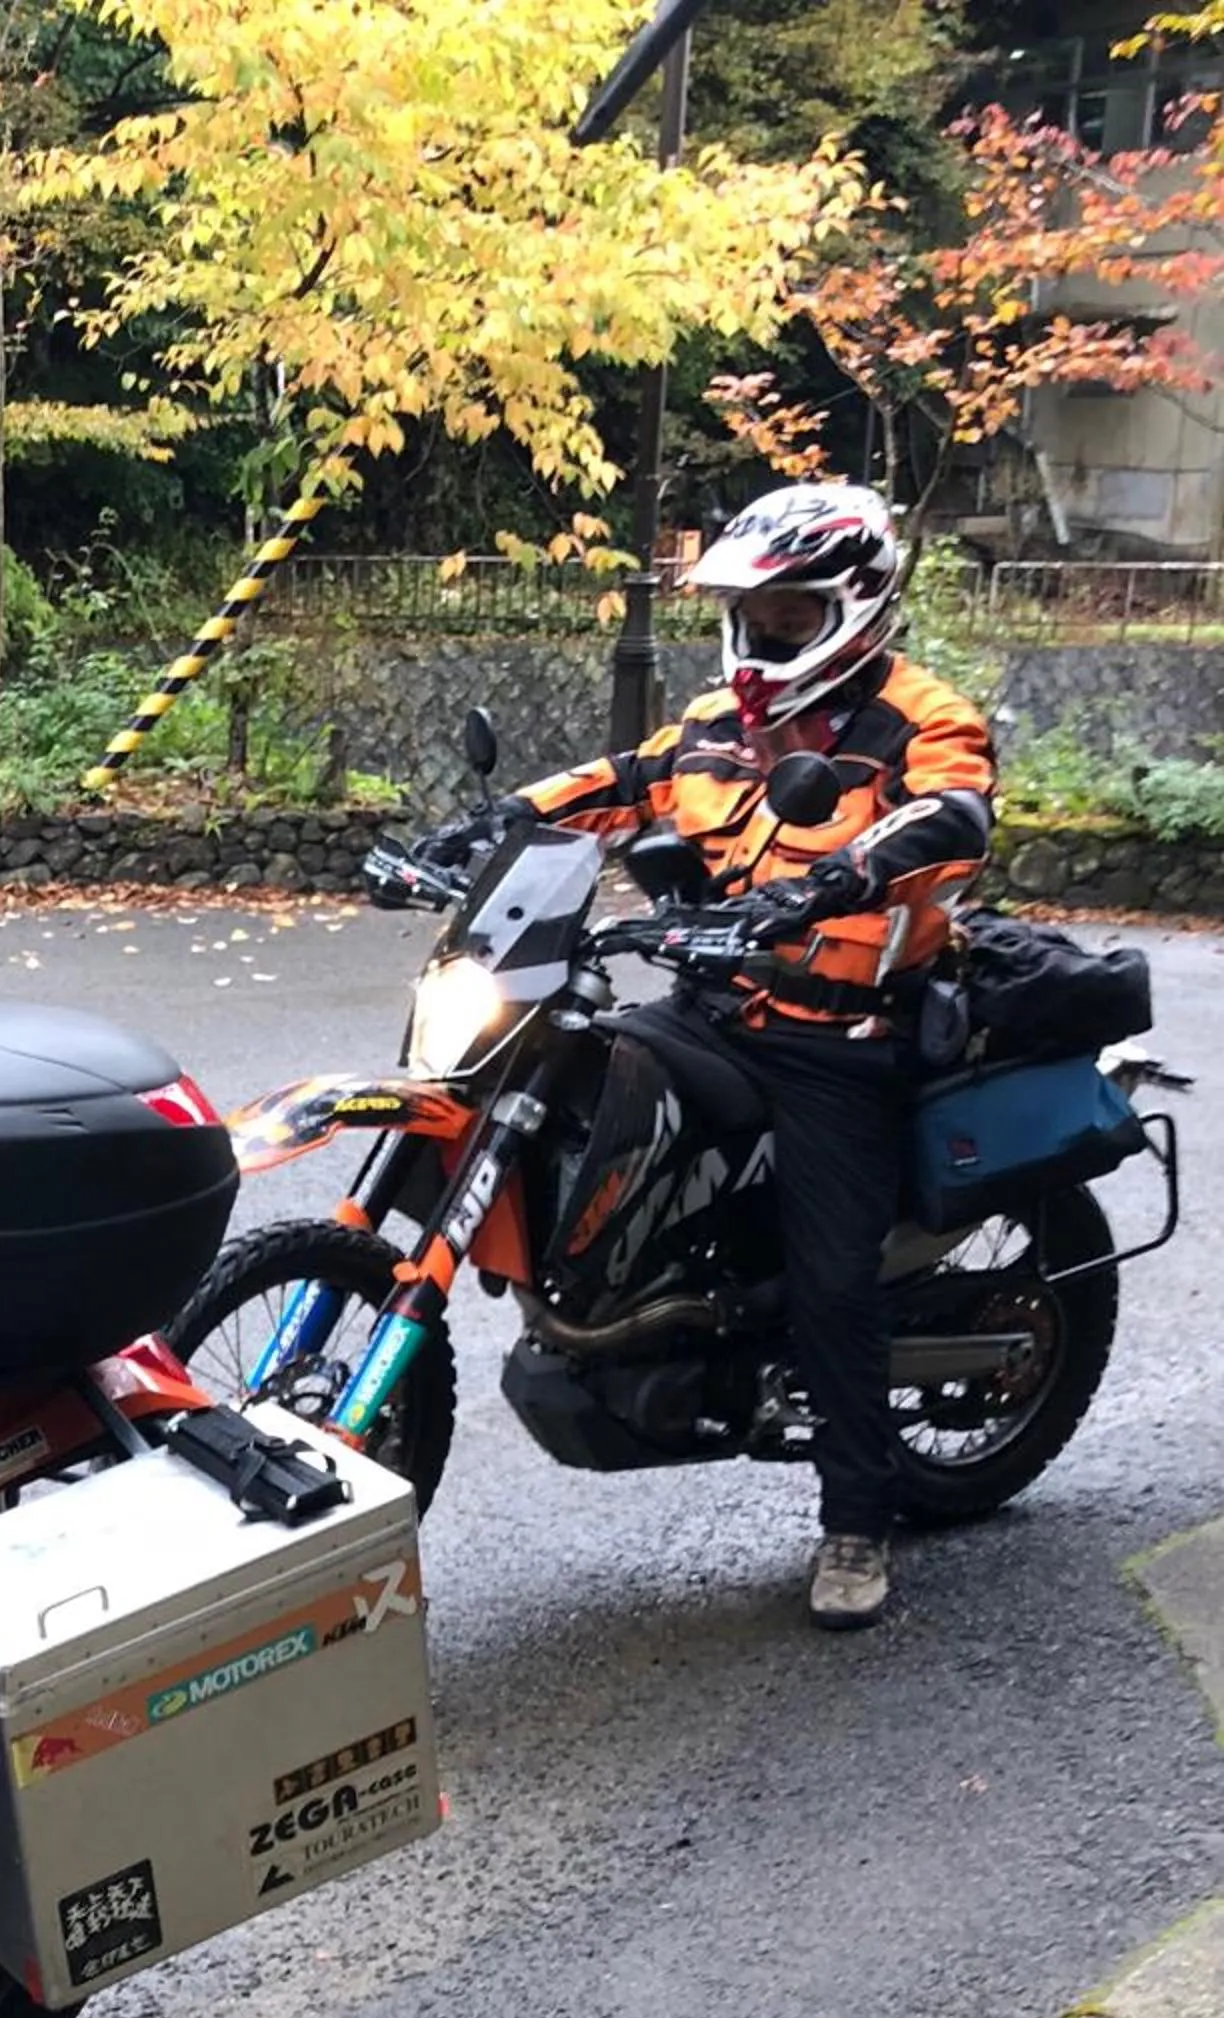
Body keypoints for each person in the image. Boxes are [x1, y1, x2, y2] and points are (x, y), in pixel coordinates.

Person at [420, 482, 997, 1632]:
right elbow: (622, 780)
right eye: (753, 616)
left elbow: (953, 818)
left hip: (841, 1037)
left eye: (788, 616)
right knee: (572, 1080)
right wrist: (496, 822)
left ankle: (856, 1521)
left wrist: (835, 881)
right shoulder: (715, 720)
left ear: (854, 606)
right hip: (715, 1003)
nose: (764, 637)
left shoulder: (921, 715)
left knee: (832, 1279)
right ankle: (635, 1299)